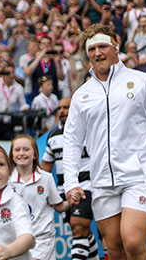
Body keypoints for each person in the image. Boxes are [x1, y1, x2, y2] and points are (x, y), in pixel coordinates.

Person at [64, 24, 146, 259]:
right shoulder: (82, 94)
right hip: (101, 181)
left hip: (139, 176)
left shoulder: (142, 82)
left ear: (115, 47)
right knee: (116, 249)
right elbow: (72, 140)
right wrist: (71, 182)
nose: (98, 53)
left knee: (132, 241)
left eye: (102, 46)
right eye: (92, 49)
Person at [40, 97, 99, 260]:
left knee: (78, 226)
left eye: (66, 107)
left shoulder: (90, 130)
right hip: (64, 192)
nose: (62, 111)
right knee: (83, 233)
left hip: (87, 187)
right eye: (59, 108)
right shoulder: (53, 136)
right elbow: (45, 168)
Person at [9, 134, 70, 260]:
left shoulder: (46, 177)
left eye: (26, 149)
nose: (21, 153)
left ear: (35, 154)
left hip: (42, 239)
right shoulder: (6, 181)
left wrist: (71, 202)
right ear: (12, 155)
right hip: (17, 240)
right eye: (17, 150)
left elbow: (58, 206)